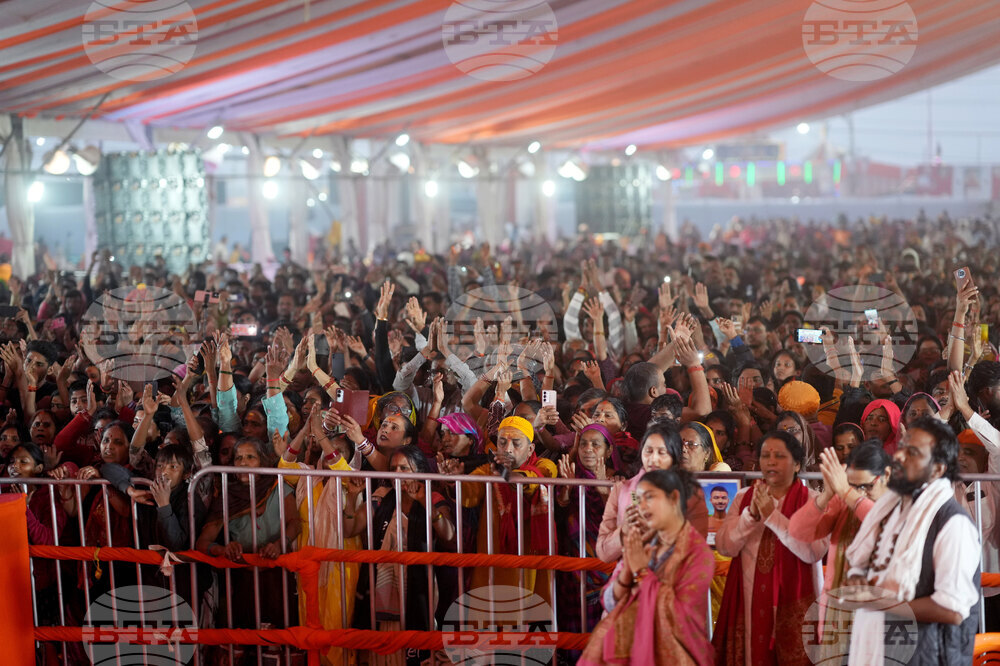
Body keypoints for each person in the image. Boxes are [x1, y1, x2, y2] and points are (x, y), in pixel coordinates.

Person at [845, 416, 981, 665]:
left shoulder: (953, 523)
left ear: (937, 469)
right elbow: (865, 562)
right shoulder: (892, 507)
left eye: (913, 453)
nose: (898, 457)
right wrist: (858, 579)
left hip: (927, 654)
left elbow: (952, 609)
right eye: (902, 448)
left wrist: (882, 603)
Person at [713, 431, 828, 665]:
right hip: (749, 602)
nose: (771, 461)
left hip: (797, 604)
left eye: (779, 456)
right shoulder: (744, 498)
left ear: (797, 464)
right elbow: (725, 547)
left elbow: (814, 551)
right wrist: (750, 516)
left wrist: (772, 516)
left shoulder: (813, 500)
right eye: (765, 455)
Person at [580, 468, 714, 665]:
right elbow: (609, 602)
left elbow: (678, 616)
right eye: (639, 499)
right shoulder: (645, 540)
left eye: (649, 498)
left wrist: (641, 572)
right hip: (629, 645)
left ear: (674, 499)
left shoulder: (697, 554)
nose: (641, 507)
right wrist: (626, 573)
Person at [596, 422, 709, 563]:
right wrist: (624, 531)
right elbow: (604, 553)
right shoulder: (622, 489)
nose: (653, 459)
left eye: (661, 452)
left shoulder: (690, 492)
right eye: (648, 451)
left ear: (674, 457)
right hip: (632, 578)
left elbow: (698, 546)